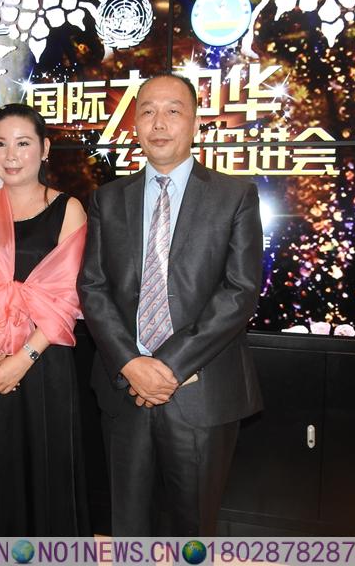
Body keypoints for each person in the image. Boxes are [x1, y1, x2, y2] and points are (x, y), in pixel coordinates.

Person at [78, 74, 264, 536]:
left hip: (202, 390)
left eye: (173, 111)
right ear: (134, 124)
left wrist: (166, 366)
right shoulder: (107, 199)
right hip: (125, 390)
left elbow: (240, 290)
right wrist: (131, 364)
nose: (158, 123)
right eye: (147, 111)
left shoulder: (235, 195)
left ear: (196, 123)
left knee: (193, 528)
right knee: (128, 526)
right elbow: (93, 288)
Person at [0, 103, 90, 536]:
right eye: (0, 144)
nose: (11, 155)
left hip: (43, 361)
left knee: (43, 473)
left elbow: (68, 298)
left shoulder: (69, 210)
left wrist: (24, 359)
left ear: (44, 149)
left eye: (23, 143)